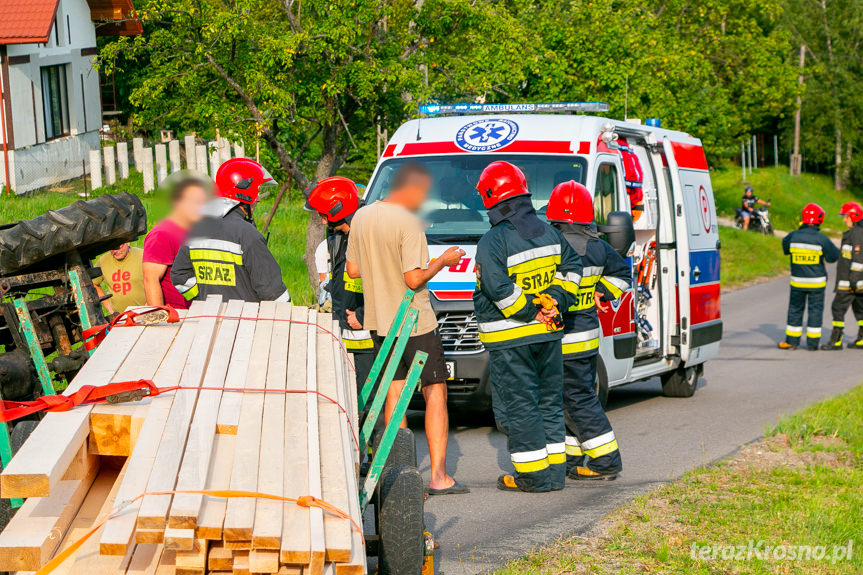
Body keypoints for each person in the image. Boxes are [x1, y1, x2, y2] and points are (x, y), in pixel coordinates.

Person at [345, 162, 468, 495]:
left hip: (380, 321)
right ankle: (439, 476)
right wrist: (442, 262)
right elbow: (413, 279)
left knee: (394, 395)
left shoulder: (362, 216)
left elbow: (353, 270)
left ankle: (402, 474)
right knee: (435, 392)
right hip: (414, 320)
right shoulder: (409, 222)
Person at [472, 161, 581, 493]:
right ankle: (555, 475)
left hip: (511, 339)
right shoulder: (550, 232)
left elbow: (498, 289)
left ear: (493, 197)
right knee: (548, 402)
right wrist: (555, 301)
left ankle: (533, 477)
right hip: (548, 336)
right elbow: (573, 267)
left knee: (520, 406)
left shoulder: (493, 241)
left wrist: (531, 311)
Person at [546, 181, 631, 481]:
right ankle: (571, 460)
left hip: (563, 339)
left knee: (577, 400)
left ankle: (606, 460)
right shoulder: (599, 247)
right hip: (587, 337)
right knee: (570, 399)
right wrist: (604, 292)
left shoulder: (552, 247)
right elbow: (623, 273)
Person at [171, 158, 290, 303]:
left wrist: (202, 298)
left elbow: (179, 277)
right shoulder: (248, 235)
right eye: (256, 192)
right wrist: (293, 318)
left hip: (208, 319)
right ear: (244, 194)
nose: (258, 199)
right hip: (245, 321)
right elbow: (273, 293)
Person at [305, 176, 374, 391]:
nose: (323, 222)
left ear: (338, 209)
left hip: (366, 333)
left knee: (368, 394)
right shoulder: (337, 235)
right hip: (345, 328)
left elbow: (384, 281)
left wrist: (363, 315)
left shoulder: (366, 235)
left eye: (325, 216)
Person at [779, 203, 840, 350]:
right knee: (815, 311)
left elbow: (785, 248)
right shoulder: (821, 239)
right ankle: (813, 344)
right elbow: (833, 257)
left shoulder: (793, 236)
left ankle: (792, 342)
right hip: (816, 283)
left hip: (797, 282)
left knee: (795, 310)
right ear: (819, 220)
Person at [143, 177, 208, 308]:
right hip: (178, 316)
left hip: (201, 309)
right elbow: (150, 280)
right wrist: (159, 318)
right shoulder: (162, 234)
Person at [822, 201, 863, 350]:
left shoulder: (856, 234)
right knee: (860, 309)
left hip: (850, 281)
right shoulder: (856, 232)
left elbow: (858, 259)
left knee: (837, 307)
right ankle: (862, 338)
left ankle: (836, 339)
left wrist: (853, 281)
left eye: (846, 216)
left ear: (854, 216)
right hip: (856, 281)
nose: (844, 219)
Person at [92, 242, 146, 315]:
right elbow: (94, 283)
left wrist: (147, 308)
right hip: (120, 318)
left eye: (119, 246)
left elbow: (157, 281)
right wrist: (110, 308)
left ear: (128, 242)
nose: (115, 251)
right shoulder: (103, 260)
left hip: (145, 313)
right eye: (112, 248)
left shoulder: (142, 256)